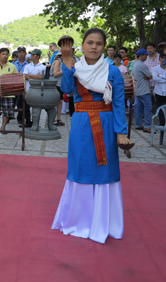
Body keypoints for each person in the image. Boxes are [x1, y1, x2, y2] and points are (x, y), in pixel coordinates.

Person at [52, 28, 131, 244]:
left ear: (104, 47)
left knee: (105, 168)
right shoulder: (76, 68)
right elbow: (67, 90)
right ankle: (79, 220)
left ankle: (103, 223)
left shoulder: (113, 72)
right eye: (89, 43)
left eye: (98, 43)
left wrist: (121, 133)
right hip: (82, 124)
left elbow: (117, 103)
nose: (94, 47)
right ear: (83, 45)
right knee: (81, 166)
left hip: (105, 123)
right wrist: (67, 61)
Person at [22, 49, 44, 126]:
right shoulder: (27, 66)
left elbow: (41, 77)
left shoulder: (42, 67)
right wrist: (36, 76)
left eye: (33, 55)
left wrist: (30, 75)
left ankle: (35, 122)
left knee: (36, 107)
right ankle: (28, 121)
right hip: (28, 89)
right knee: (26, 107)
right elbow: (24, 76)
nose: (31, 56)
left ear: (38, 56)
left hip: (37, 90)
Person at [133, 49, 153, 133]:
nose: (147, 57)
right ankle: (147, 126)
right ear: (141, 55)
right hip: (144, 90)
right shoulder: (142, 65)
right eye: (146, 55)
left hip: (138, 89)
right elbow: (150, 76)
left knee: (138, 108)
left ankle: (138, 124)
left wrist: (147, 76)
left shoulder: (135, 64)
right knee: (148, 107)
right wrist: (148, 77)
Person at [151, 52, 166, 126]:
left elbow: (158, 77)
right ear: (159, 59)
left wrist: (161, 76)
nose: (164, 60)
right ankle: (162, 122)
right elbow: (155, 78)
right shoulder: (155, 68)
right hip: (158, 91)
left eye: (165, 58)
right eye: (162, 58)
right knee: (160, 107)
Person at [51, 51, 65, 126]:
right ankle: (53, 119)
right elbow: (55, 73)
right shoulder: (57, 62)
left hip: (60, 84)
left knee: (60, 102)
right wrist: (65, 70)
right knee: (55, 103)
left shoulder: (62, 61)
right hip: (55, 84)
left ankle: (58, 118)